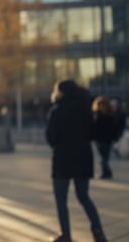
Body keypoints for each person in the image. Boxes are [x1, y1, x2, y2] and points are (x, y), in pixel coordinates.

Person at [46, 80, 107, 242]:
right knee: (84, 197)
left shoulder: (56, 111)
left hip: (62, 161)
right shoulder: (85, 110)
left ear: (61, 93)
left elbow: (51, 138)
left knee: (61, 200)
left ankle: (66, 235)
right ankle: (98, 231)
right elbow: (92, 134)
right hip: (83, 159)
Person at [92, 96, 116, 179]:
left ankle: (106, 172)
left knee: (104, 158)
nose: (102, 107)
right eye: (100, 105)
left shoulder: (110, 115)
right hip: (99, 140)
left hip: (108, 140)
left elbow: (113, 128)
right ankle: (107, 172)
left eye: (103, 105)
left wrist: (114, 137)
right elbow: (94, 128)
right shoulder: (96, 115)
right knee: (103, 157)